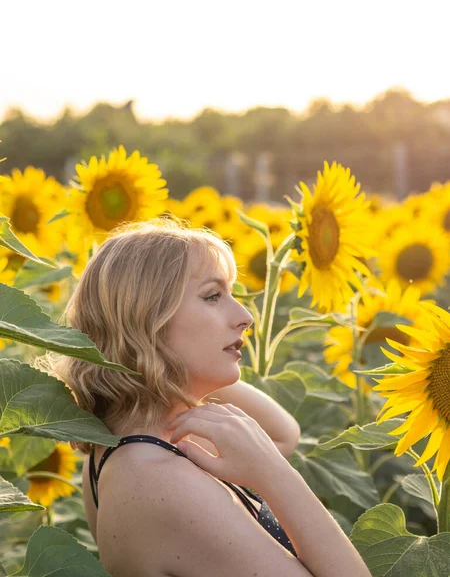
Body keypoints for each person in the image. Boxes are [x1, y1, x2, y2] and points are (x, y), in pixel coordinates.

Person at [55, 219, 370, 577]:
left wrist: (168, 367)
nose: (245, 317)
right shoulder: (166, 484)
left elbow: (284, 433)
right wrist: (273, 474)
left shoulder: (120, 448)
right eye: (212, 296)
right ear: (147, 319)